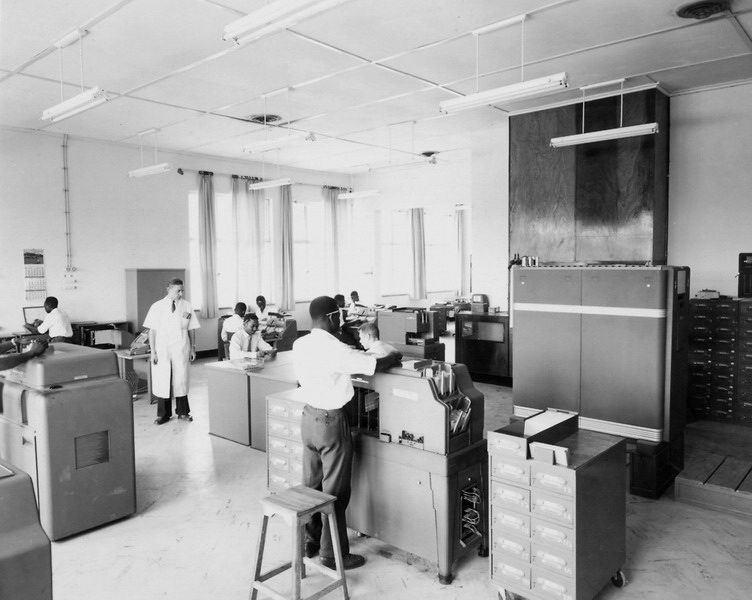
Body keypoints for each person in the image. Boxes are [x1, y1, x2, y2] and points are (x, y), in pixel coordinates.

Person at [293, 296, 402, 571]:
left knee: (311, 485)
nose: (341, 320)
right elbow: (374, 365)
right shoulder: (335, 348)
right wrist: (394, 356)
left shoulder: (300, 344)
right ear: (330, 317)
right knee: (336, 490)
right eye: (339, 316)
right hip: (331, 422)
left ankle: (311, 541)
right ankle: (333, 554)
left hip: (308, 418)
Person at [143, 278, 200, 425]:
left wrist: (193, 348)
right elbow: (152, 331)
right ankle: (163, 414)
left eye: (182, 291)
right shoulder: (157, 306)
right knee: (163, 379)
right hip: (162, 348)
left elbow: (191, 328)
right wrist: (153, 352)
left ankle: (183, 412)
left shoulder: (187, 306)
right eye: (178, 291)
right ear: (168, 289)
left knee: (181, 379)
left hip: (181, 347)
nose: (180, 293)